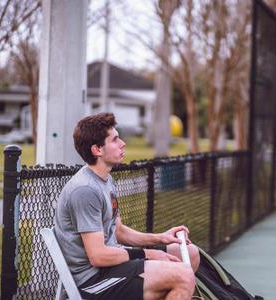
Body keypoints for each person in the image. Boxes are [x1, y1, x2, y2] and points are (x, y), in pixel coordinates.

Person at [54, 112, 200, 299]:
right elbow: (97, 256)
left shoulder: (106, 180)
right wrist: (148, 254)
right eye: (115, 140)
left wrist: (161, 238)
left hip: (114, 266)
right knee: (184, 276)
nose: (123, 143)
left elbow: (119, 231)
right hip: (94, 281)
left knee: (190, 253)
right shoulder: (85, 190)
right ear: (97, 150)